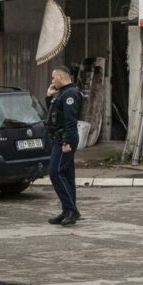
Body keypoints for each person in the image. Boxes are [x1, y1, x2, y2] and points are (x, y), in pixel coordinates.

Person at [46, 65, 82, 226]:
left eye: (54, 78)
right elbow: (53, 115)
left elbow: (70, 120)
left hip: (64, 139)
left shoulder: (70, 94)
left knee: (55, 172)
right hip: (59, 138)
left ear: (60, 77)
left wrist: (66, 142)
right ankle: (68, 210)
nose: (52, 81)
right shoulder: (62, 93)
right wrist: (49, 97)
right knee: (67, 175)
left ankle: (71, 210)